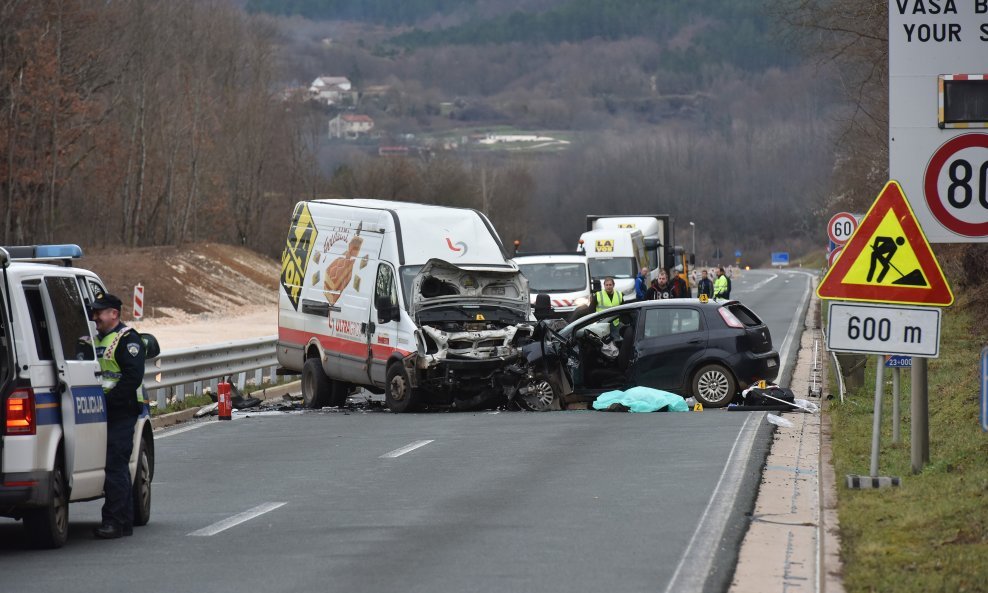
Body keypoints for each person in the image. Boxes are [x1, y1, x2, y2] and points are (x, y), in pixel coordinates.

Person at [91, 293, 147, 539]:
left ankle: (113, 521)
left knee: (115, 464)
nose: (95, 317)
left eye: (99, 313)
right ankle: (123, 521)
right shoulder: (97, 340)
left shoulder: (128, 340)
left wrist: (109, 402)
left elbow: (132, 377)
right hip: (102, 411)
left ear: (114, 313)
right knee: (117, 466)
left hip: (121, 411)